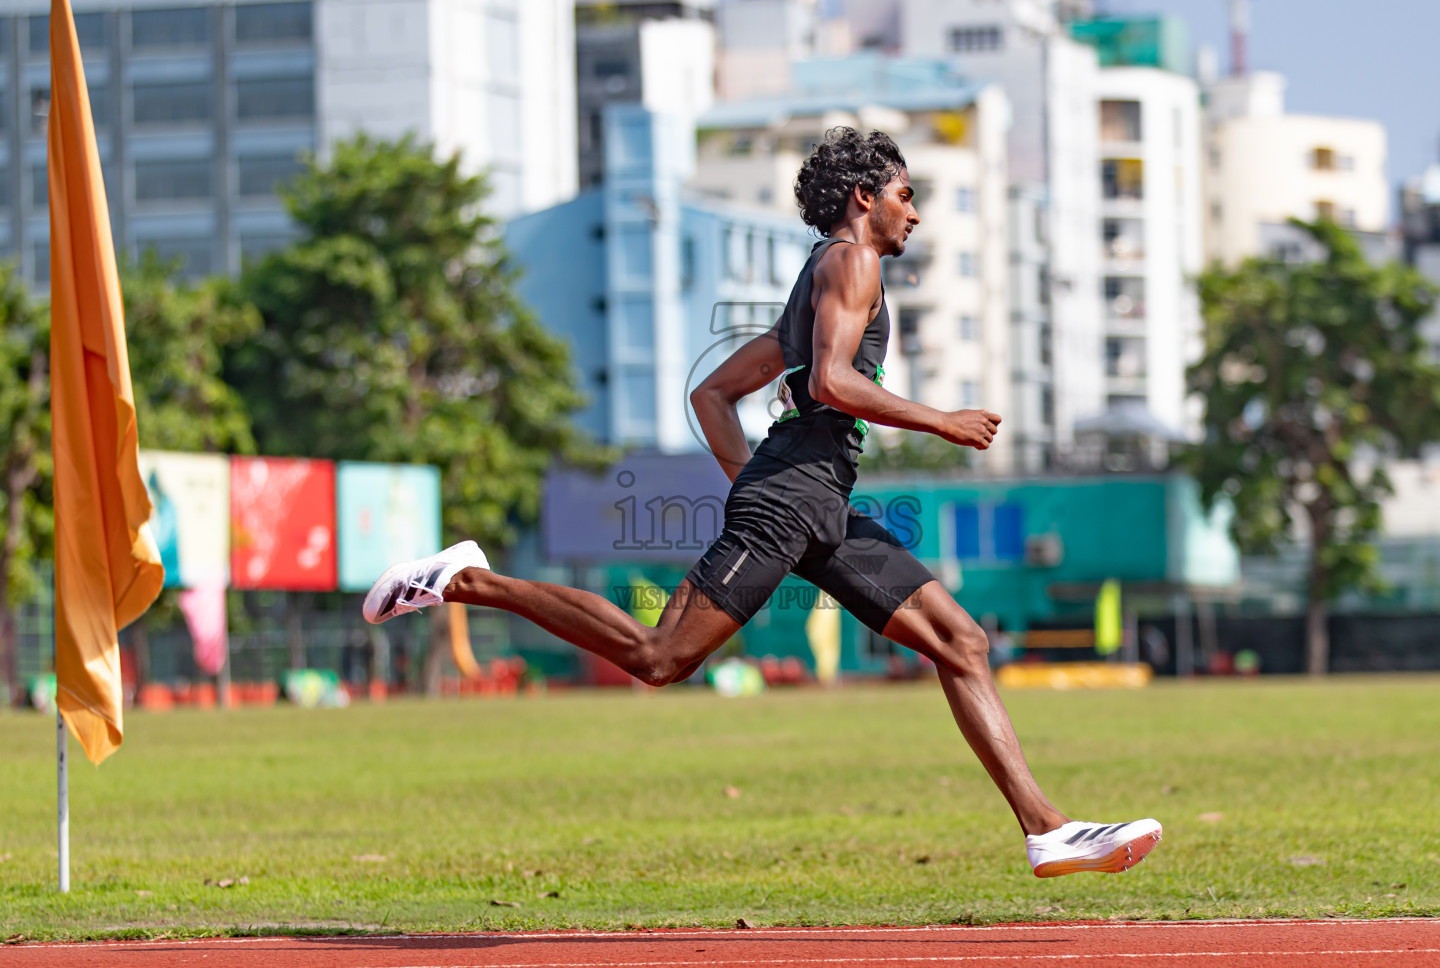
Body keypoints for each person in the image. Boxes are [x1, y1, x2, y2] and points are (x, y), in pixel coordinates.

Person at [363, 127, 1160, 878]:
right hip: (794, 497)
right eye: (906, 194)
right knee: (658, 658)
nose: (914, 212)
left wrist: (751, 477)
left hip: (817, 503)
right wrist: (938, 421)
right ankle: (467, 579)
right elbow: (828, 383)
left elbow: (713, 393)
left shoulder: (820, 283)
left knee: (961, 642)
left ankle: (1045, 829)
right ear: (862, 196)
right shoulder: (851, 263)